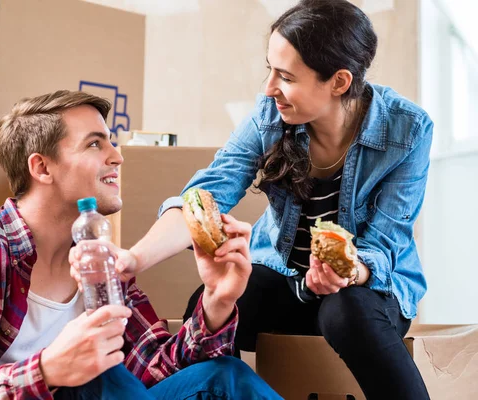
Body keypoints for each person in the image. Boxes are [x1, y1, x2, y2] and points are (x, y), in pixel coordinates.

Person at [109, 1, 433, 399]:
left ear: (339, 81)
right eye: (270, 70)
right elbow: (204, 197)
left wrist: (349, 273)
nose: (268, 88)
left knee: (346, 311)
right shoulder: (268, 116)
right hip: (285, 284)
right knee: (210, 300)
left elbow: (385, 240)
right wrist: (133, 260)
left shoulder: (408, 129)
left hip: (366, 293)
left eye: (285, 76)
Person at [0, 90, 282, 400]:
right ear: (42, 168)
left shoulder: (102, 260)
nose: (117, 156)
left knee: (224, 375)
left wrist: (217, 301)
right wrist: (49, 369)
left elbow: (155, 370)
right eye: (94, 143)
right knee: (99, 375)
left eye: (111, 141)